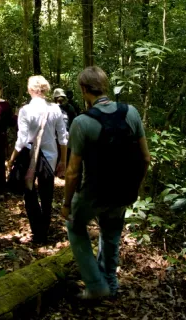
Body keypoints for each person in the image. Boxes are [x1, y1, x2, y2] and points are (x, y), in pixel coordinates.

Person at [61, 66, 151, 299]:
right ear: (105, 86)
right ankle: (110, 281)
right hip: (122, 191)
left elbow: (72, 172)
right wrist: (135, 186)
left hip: (93, 193)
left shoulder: (82, 122)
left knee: (75, 226)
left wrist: (66, 203)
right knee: (111, 232)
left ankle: (96, 285)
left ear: (83, 89)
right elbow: (146, 157)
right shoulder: (131, 112)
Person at [8, 76, 67, 244]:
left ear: (30, 90)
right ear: (45, 90)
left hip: (29, 156)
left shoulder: (25, 110)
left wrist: (12, 159)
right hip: (50, 157)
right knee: (47, 194)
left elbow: (21, 139)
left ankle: (37, 230)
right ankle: (44, 231)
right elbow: (63, 138)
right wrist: (63, 161)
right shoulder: (56, 109)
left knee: (29, 192)